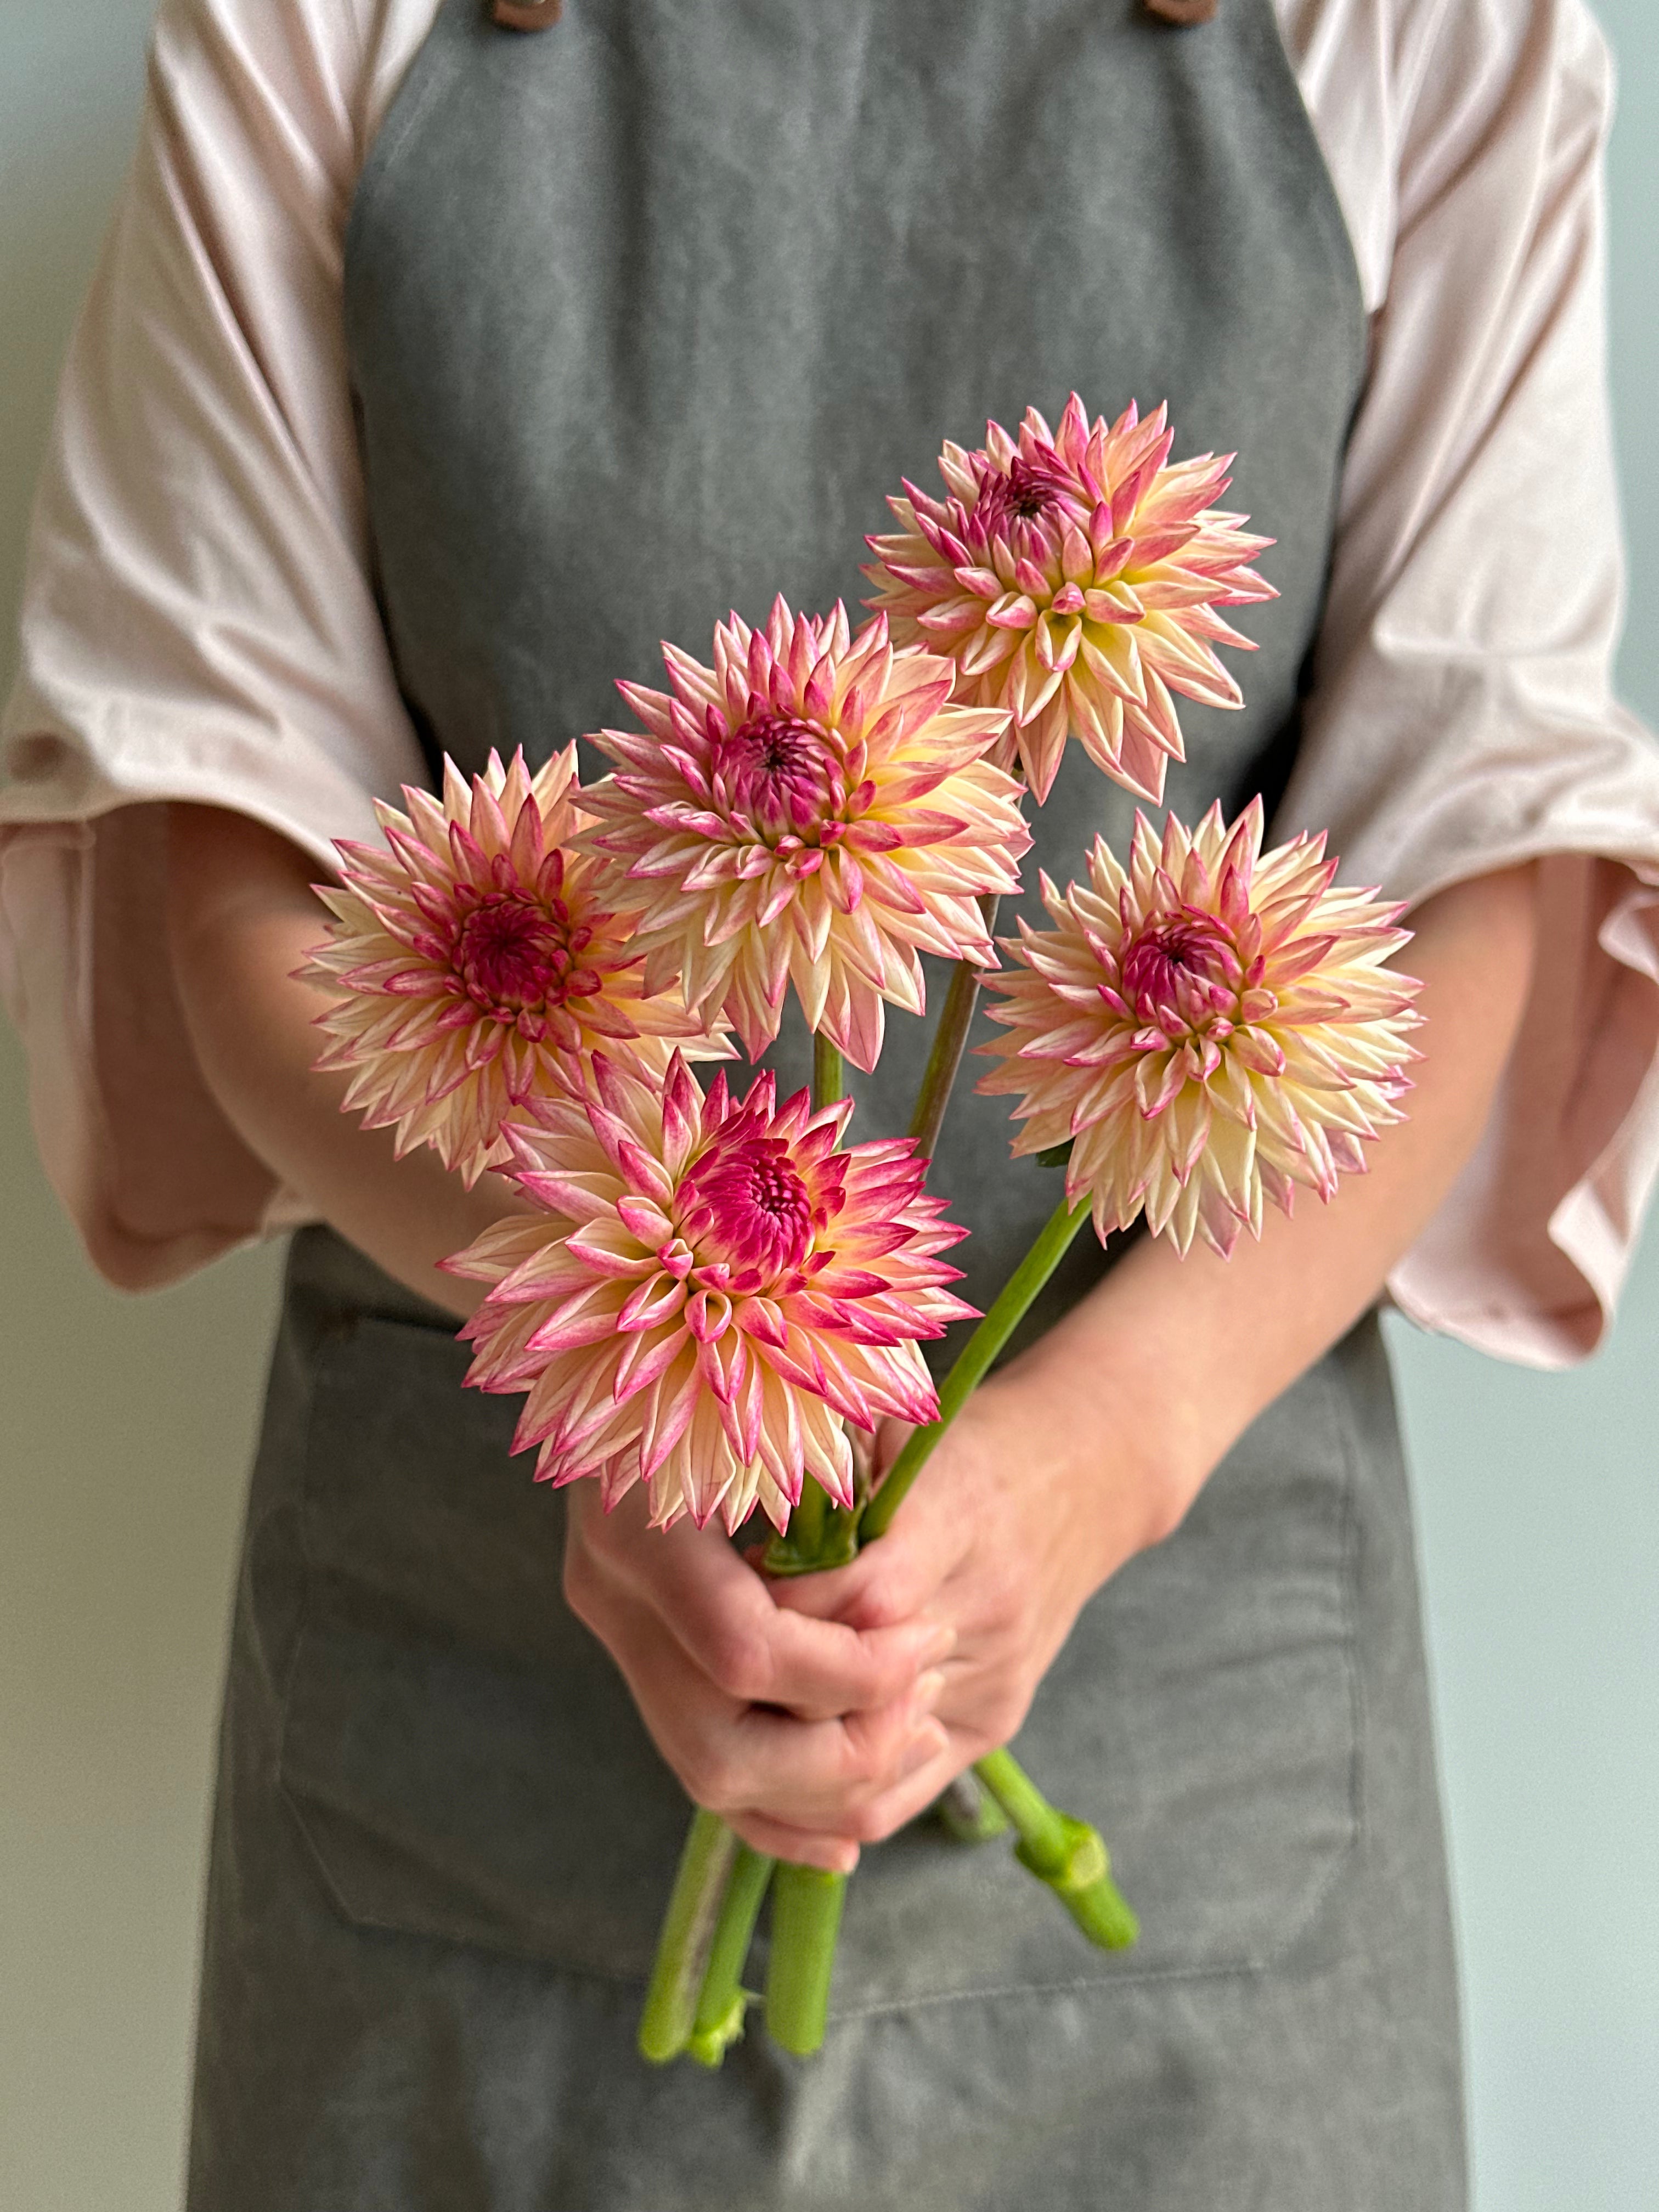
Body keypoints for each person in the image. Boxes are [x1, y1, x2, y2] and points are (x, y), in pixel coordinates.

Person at [4, 0, 1658, 2204]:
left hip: (1192, 1743)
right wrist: (638, 1359)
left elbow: (1481, 858)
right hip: (477, 1739)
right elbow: (223, 843)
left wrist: (1093, 1458)